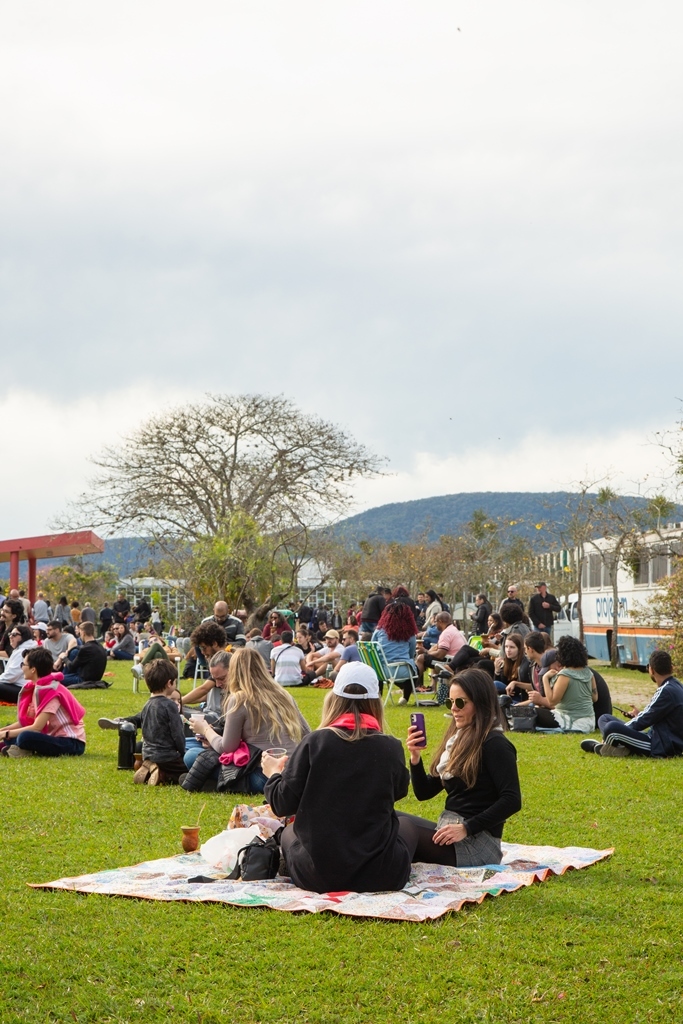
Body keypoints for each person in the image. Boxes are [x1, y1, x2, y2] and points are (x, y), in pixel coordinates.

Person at [262, 662, 411, 893]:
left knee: (289, 833)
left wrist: (273, 774)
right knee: (405, 826)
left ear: (334, 699)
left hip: (317, 875)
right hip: (381, 874)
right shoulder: (390, 747)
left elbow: (283, 804)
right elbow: (400, 791)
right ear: (376, 703)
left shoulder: (315, 742)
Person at [399, 667, 522, 867]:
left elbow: (512, 800)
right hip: (450, 831)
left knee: (399, 828)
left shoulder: (495, 744)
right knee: (387, 816)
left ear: (480, 703)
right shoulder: (459, 739)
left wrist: (466, 828)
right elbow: (424, 793)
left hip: (477, 843)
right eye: (450, 702)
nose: (453, 709)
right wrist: (415, 757)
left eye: (460, 702)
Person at [187, 647, 310, 793]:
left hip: (263, 775)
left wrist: (205, 729)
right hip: (292, 771)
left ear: (234, 672)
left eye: (222, 678)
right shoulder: (283, 694)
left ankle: (216, 782)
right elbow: (307, 734)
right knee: (195, 748)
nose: (218, 684)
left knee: (191, 755)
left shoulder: (239, 699)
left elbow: (227, 748)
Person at [581, 649, 683, 758]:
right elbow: (655, 716)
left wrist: (622, 730)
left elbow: (644, 720)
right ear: (671, 668)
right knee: (604, 718)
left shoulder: (666, 691)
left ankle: (607, 745)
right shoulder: (676, 686)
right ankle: (620, 747)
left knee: (611, 728)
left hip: (660, 745)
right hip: (663, 738)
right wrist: (637, 716)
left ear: (652, 670)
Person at [0, 647, 86, 758]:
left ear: (33, 670)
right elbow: (27, 722)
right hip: (54, 737)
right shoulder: (38, 688)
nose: (21, 668)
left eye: (23, 664)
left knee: (24, 737)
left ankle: (19, 748)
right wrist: (3, 731)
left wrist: (5, 733)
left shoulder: (51, 691)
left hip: (71, 742)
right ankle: (16, 749)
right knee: (12, 732)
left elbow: (37, 727)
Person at [133, 660, 187, 785]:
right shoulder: (170, 705)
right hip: (167, 757)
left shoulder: (146, 705)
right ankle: (162, 775)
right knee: (190, 768)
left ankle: (151, 767)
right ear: (169, 683)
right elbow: (177, 733)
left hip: (148, 753)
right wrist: (182, 752)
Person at [531, 635, 597, 732]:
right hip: (589, 722)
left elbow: (552, 701)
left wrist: (545, 679)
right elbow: (595, 698)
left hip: (570, 721)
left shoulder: (565, 675)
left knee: (532, 712)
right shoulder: (589, 673)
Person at [372, 598, 418, 704]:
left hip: (380, 670)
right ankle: (405, 698)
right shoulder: (409, 633)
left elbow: (373, 646)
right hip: (402, 670)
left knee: (379, 663)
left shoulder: (379, 630)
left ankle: (378, 697)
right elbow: (411, 653)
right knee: (415, 669)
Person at [415, 612, 466, 693]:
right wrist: (429, 651)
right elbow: (438, 647)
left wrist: (425, 651)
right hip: (457, 659)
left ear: (440, 621)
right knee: (431, 658)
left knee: (421, 658)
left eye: (436, 621)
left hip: (451, 662)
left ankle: (413, 685)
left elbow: (440, 654)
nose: (435, 624)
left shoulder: (446, 633)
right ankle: (432, 687)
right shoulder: (453, 629)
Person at [60, 622, 109, 688]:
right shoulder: (99, 646)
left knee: (56, 679)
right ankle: (62, 675)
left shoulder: (86, 649)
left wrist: (64, 658)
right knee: (74, 651)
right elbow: (81, 647)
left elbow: (71, 666)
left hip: (84, 680)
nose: (80, 636)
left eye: (80, 633)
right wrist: (72, 649)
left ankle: (61, 675)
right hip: (95, 678)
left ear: (83, 633)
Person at [0, 625, 38, 703]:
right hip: (22, 687)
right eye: (10, 634)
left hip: (25, 689)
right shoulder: (22, 649)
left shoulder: (23, 652)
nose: (10, 637)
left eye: (14, 634)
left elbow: (11, 676)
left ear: (24, 637)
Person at [493, 634, 532, 699]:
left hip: (521, 697)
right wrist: (497, 672)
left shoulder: (525, 663)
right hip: (508, 694)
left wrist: (508, 689)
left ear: (519, 649)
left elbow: (520, 689)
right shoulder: (506, 661)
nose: (508, 650)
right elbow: (501, 683)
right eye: (506, 647)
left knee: (495, 684)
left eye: (512, 647)